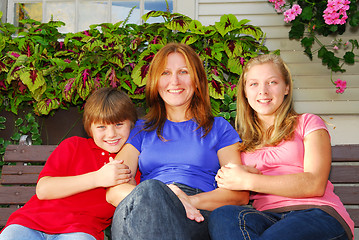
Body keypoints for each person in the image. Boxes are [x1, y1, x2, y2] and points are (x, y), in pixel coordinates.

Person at [105, 42, 251, 240]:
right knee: (150, 191)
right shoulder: (141, 129)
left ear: (197, 80)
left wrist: (183, 200)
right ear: (155, 82)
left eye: (183, 72)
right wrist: (163, 196)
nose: (174, 81)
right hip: (143, 204)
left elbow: (239, 195)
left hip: (194, 212)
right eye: (165, 73)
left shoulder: (219, 128)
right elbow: (114, 192)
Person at [208, 54, 355, 240]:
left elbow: (314, 184)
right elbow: (230, 183)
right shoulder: (238, 140)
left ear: (286, 88)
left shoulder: (308, 123)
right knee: (225, 216)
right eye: (253, 84)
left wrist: (247, 180)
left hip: (317, 213)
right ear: (245, 92)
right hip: (265, 217)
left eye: (272, 82)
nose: (263, 91)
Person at [0, 87, 138, 240]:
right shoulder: (74, 146)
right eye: (101, 127)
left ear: (131, 124)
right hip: (31, 223)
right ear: (89, 129)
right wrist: (98, 178)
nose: (111, 134)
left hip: (80, 231)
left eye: (119, 124)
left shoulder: (132, 161)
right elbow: (43, 189)